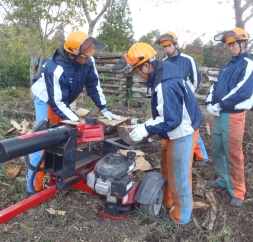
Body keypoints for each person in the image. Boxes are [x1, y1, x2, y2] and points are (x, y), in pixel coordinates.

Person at [28, 30, 121, 194]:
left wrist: (104, 108)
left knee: (61, 138)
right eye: (84, 56)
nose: (87, 58)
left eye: (89, 55)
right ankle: (33, 188)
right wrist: (78, 122)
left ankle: (56, 176)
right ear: (72, 54)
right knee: (42, 140)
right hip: (46, 99)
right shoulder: (55, 69)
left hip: (62, 100)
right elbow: (57, 102)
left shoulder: (87, 60)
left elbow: (93, 85)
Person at [122, 43, 203, 225]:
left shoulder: (165, 83)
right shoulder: (162, 70)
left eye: (137, 70)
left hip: (182, 131)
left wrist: (147, 128)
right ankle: (167, 201)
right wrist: (148, 123)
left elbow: (171, 119)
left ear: (146, 65)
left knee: (179, 176)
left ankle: (181, 218)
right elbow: (166, 112)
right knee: (167, 167)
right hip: (174, 129)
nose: (138, 75)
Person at [205, 27, 253, 207]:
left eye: (233, 44)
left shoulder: (250, 65)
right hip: (220, 115)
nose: (230, 48)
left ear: (243, 43)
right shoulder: (227, 66)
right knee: (218, 150)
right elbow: (215, 87)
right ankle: (223, 178)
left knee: (233, 154)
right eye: (228, 45)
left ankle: (238, 191)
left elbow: (243, 91)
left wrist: (220, 104)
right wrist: (209, 103)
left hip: (234, 116)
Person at [156, 31, 209, 167]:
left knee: (192, 126)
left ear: (176, 44)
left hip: (187, 101)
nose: (167, 49)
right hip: (172, 102)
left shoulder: (188, 60)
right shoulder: (163, 63)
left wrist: (188, 96)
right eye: (165, 47)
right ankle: (181, 153)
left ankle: (202, 155)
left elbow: (195, 80)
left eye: (169, 46)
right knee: (178, 128)